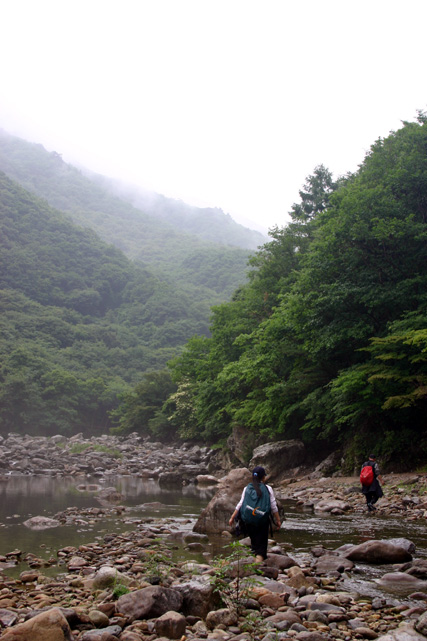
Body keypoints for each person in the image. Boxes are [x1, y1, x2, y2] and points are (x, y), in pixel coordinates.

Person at [229, 466, 281, 563]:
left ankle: (255, 560)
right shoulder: (268, 488)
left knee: (254, 542)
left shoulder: (247, 488)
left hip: (249, 520)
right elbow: (273, 506)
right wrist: (278, 520)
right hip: (262, 520)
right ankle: (258, 564)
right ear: (263, 477)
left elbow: (240, 504)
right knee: (261, 545)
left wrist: (232, 517)